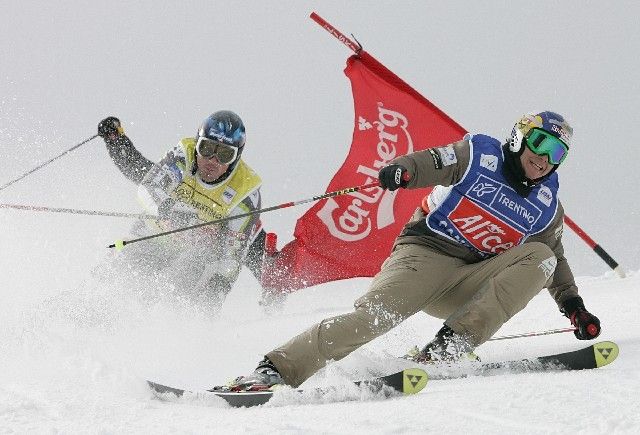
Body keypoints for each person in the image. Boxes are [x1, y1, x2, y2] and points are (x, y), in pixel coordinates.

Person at [228, 110, 602, 390]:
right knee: (372, 319)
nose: (545, 158)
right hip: (425, 255)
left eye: (557, 153)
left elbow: (556, 259)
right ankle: (276, 369)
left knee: (542, 257)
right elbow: (435, 161)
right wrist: (403, 170)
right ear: (520, 137)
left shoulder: (547, 204)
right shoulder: (480, 155)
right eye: (541, 143)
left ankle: (450, 345)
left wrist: (574, 306)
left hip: (469, 280)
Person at [97, 110, 277, 309]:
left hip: (192, 261)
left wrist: (210, 304)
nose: (212, 161)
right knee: (109, 285)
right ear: (198, 142)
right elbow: (147, 182)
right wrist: (169, 209)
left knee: (187, 275)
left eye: (225, 154)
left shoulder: (245, 190)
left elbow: (230, 259)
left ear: (236, 157)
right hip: (149, 240)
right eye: (207, 148)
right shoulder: (185, 153)